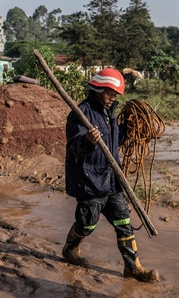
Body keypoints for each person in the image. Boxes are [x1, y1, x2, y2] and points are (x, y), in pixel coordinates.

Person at [62, 68, 159, 283]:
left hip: (111, 180)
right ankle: (71, 249)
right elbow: (75, 149)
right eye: (109, 94)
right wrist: (88, 140)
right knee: (87, 223)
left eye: (115, 96)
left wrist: (128, 129)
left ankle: (133, 267)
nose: (112, 99)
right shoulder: (81, 113)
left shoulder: (110, 113)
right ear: (98, 89)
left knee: (123, 221)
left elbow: (114, 141)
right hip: (90, 181)